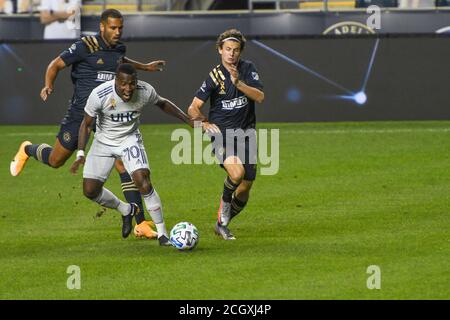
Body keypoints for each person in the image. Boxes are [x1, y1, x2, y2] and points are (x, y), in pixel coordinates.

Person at [10, 9, 165, 239]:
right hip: (80, 115)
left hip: (106, 116)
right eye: (113, 28)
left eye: (120, 28)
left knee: (124, 164)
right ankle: (27, 149)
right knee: (56, 161)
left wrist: (146, 67)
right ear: (102, 26)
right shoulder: (85, 45)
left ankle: (139, 221)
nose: (117, 32)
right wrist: (48, 85)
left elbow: (122, 62)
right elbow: (55, 64)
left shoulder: (119, 49)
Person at [70, 63, 192, 245]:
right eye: (123, 84)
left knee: (143, 180)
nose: (128, 89)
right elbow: (86, 124)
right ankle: (127, 210)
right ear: (116, 81)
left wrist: (188, 120)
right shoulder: (99, 94)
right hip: (103, 142)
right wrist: (80, 152)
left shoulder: (145, 91)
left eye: (132, 83)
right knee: (90, 191)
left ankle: (162, 234)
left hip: (129, 139)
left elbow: (163, 103)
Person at [187, 29, 264, 240]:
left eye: (236, 50)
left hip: (246, 134)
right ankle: (222, 222)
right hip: (222, 135)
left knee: (246, 186)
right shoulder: (213, 77)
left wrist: (238, 83)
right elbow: (192, 108)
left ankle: (222, 222)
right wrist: (203, 123)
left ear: (240, 52)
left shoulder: (248, 70)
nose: (231, 54)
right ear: (220, 50)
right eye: (228, 49)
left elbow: (260, 97)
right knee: (236, 174)